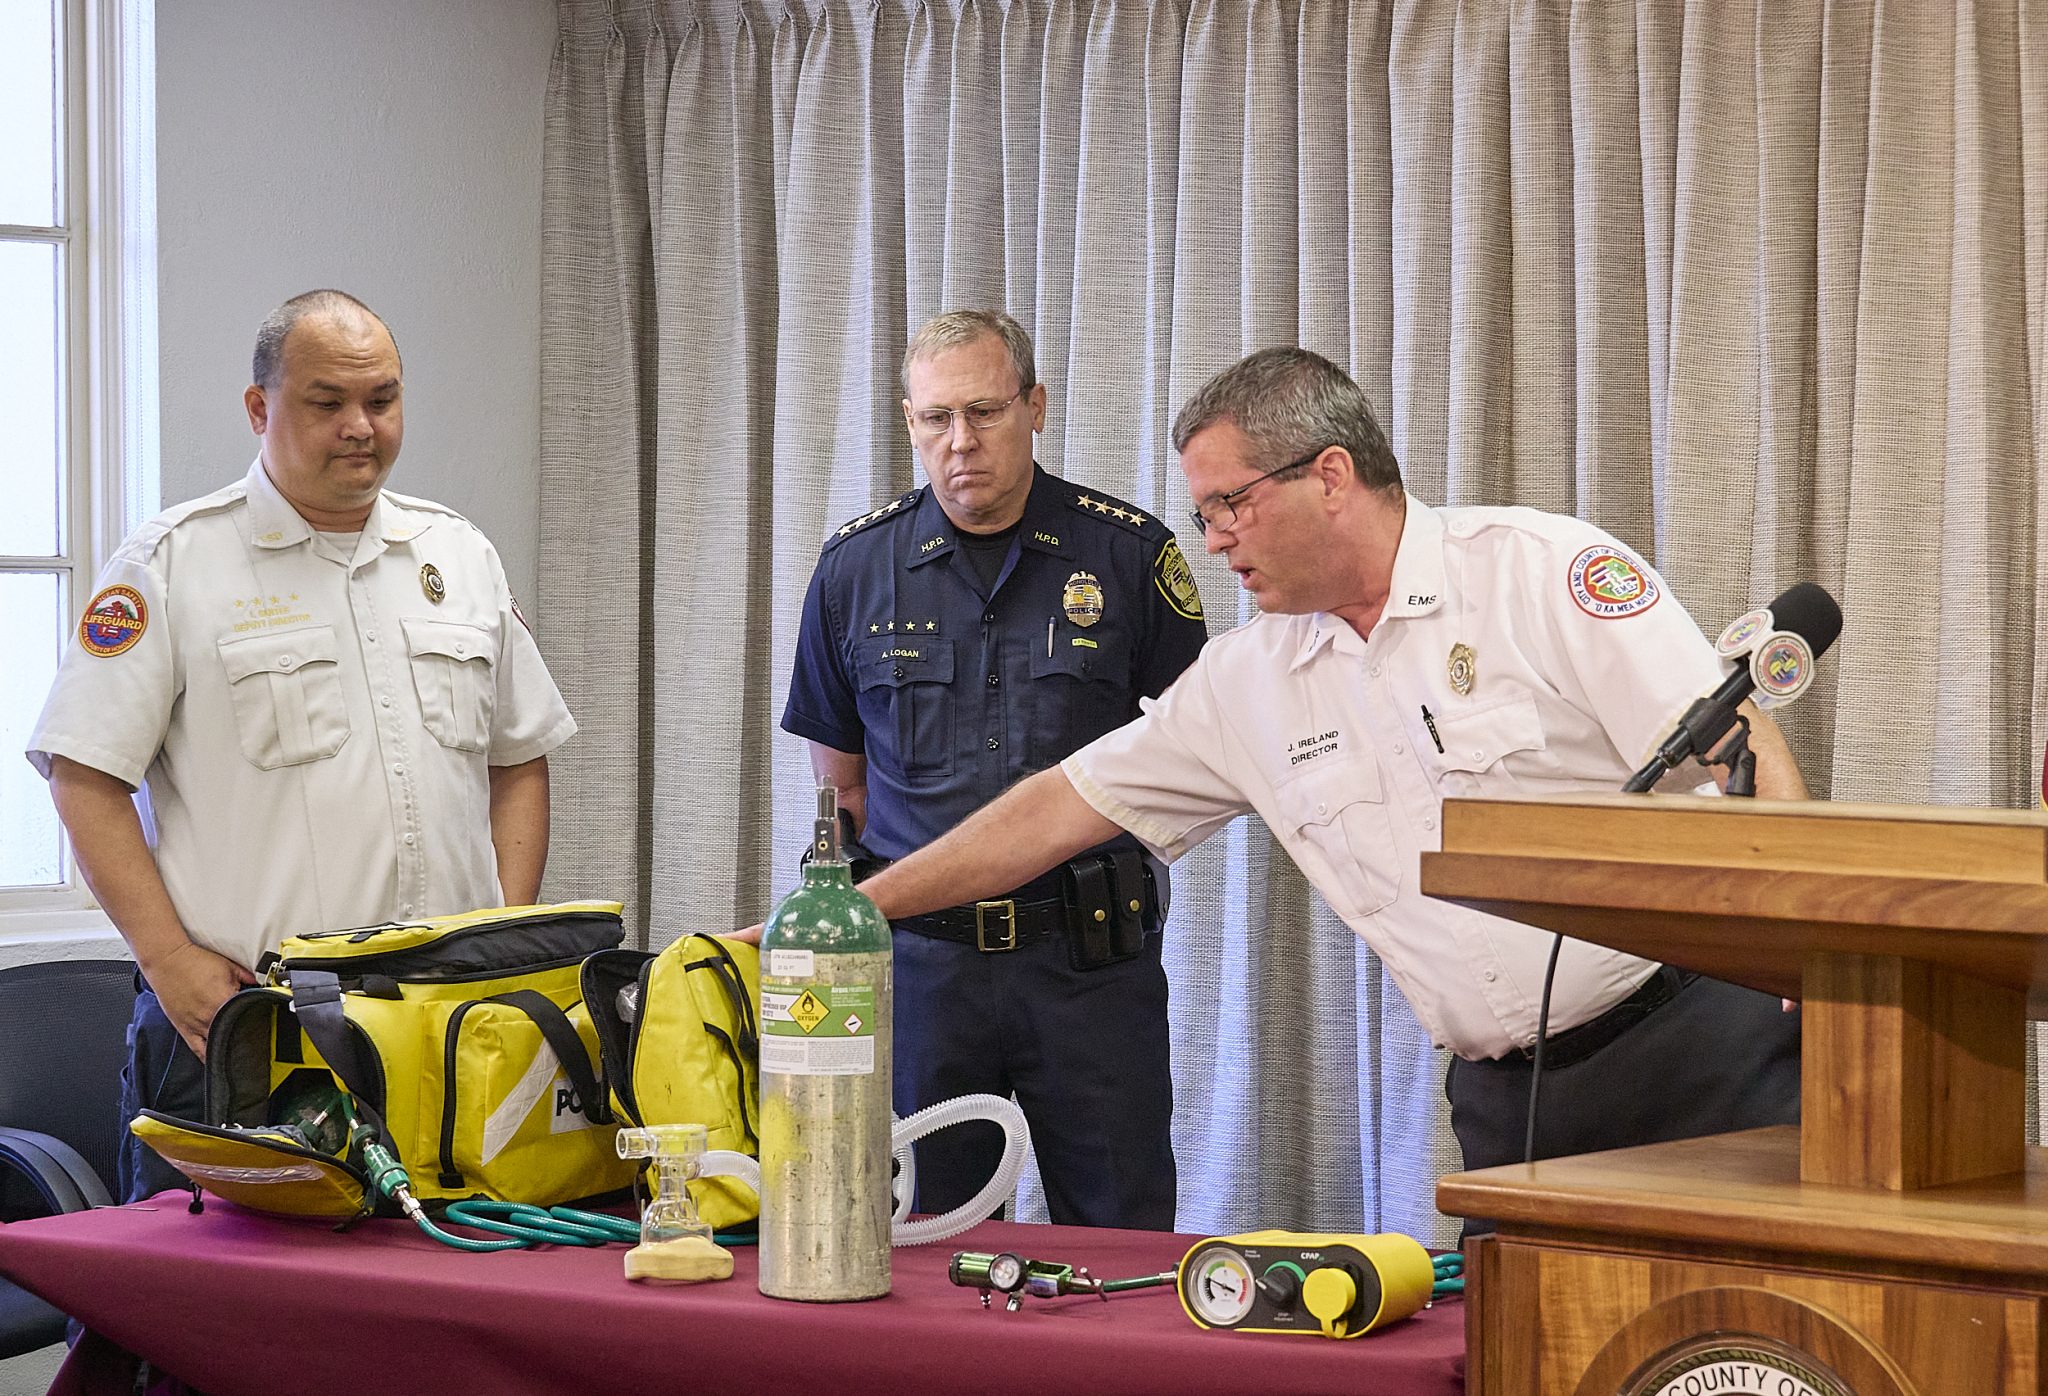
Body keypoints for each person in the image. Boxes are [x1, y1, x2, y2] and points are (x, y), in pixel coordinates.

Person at [853, 346, 1805, 1189]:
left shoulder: (1539, 573)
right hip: (1512, 1103)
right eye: (1203, 512)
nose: (1214, 536)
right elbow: (1057, 809)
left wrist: (1820, 970)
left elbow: (1742, 759)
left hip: (1695, 1056)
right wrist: (861, 908)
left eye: (1231, 503)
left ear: (1332, 476)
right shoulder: (1248, 681)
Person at [26, 289, 575, 1203]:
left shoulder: (458, 556)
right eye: (328, 403)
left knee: (435, 1312)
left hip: (446, 1030)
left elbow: (519, 758)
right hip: (249, 1033)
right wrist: (166, 959)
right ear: (259, 408)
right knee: (208, 1331)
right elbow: (83, 775)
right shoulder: (175, 564)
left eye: (383, 400)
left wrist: (504, 938)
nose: (361, 426)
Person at [781, 310, 1207, 1229]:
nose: (960, 443)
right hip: (926, 975)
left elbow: (1196, 755)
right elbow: (842, 787)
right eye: (935, 419)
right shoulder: (856, 569)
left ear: (1036, 407)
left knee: (1120, 1236)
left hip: (1090, 966)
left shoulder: (1127, 554)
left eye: (984, 411)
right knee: (925, 1241)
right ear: (908, 421)